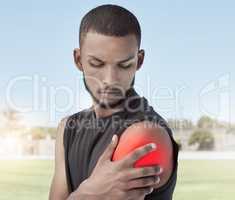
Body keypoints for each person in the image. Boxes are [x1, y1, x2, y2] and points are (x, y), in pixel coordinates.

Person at [49, 4, 179, 200]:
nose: (110, 79)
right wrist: (87, 194)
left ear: (139, 61)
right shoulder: (67, 128)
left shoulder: (145, 134)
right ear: (78, 60)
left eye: (124, 65)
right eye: (97, 63)